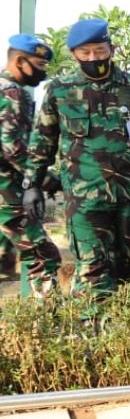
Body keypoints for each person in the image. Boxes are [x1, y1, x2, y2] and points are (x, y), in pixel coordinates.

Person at [27, 18, 130, 296]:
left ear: (112, 48)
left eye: (99, 50)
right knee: (93, 273)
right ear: (74, 54)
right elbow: (42, 141)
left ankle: (123, 336)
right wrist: (33, 184)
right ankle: (92, 335)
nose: (93, 58)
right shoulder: (60, 91)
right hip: (85, 200)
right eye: (85, 53)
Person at [0, 33, 61, 297]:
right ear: (21, 61)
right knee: (43, 256)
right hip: (6, 192)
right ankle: (46, 329)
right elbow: (12, 147)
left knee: (5, 260)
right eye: (39, 65)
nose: (43, 73)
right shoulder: (12, 93)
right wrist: (43, 179)